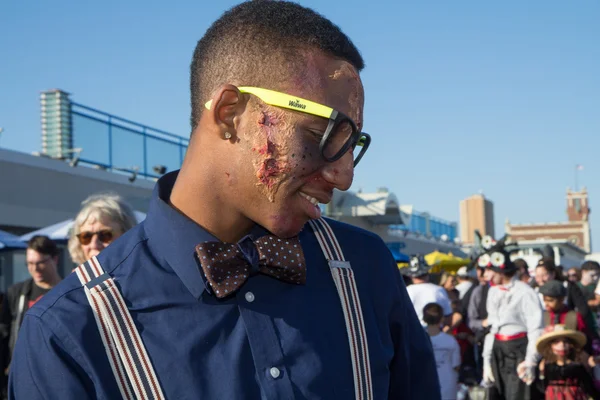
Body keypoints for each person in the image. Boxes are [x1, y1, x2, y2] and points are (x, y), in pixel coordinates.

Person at [8, 2, 439, 399]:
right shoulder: (67, 333)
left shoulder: (363, 268)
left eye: (352, 144)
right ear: (231, 113)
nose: (344, 176)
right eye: (319, 135)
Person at [480, 237, 543, 400]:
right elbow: (492, 329)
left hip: (518, 351)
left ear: (500, 269)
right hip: (498, 350)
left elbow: (536, 328)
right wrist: (487, 361)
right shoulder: (493, 292)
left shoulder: (525, 292)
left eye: (489, 270)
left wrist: (531, 360)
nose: (486, 276)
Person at [0, 236, 61, 381]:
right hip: (22, 374)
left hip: (54, 373)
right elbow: (4, 334)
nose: (35, 269)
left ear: (55, 259)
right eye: (30, 263)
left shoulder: (66, 293)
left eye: (40, 263)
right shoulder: (16, 293)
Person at [68, 193, 138, 265]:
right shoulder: (78, 275)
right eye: (86, 237)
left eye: (105, 235)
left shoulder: (144, 274)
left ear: (128, 236)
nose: (94, 245)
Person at [535, 324, 600, 399]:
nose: (562, 345)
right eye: (556, 342)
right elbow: (541, 388)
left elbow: (589, 386)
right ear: (551, 346)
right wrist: (541, 373)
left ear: (571, 345)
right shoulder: (547, 366)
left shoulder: (577, 367)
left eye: (565, 342)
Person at [539, 280, 594, 354]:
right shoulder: (543, 316)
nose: (546, 304)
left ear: (561, 299)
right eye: (544, 300)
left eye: (550, 301)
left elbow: (585, 338)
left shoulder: (574, 317)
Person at [424, 303, 461, 400]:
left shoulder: (417, 340)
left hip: (424, 384)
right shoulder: (450, 340)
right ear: (441, 319)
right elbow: (456, 365)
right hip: (447, 384)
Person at [403, 255, 453, 327]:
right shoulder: (439, 290)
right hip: (435, 333)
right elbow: (448, 319)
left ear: (411, 275)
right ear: (427, 273)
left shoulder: (407, 291)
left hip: (413, 334)